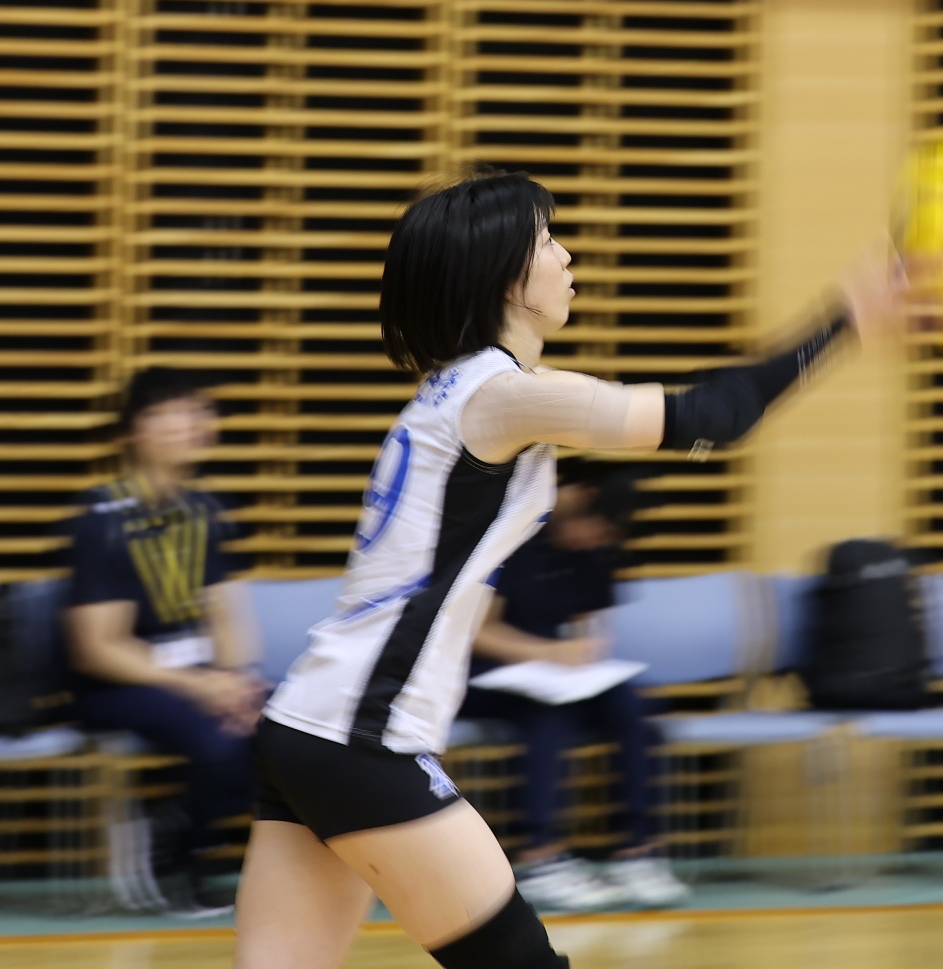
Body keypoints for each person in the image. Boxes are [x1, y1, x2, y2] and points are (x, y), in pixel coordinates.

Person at [235, 170, 898, 969]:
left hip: (305, 725)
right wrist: (844, 321)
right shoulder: (501, 396)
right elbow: (713, 420)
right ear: (504, 278)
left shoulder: (454, 393)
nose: (566, 256)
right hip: (360, 738)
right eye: (548, 241)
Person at [64, 367, 265, 917]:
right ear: (135, 431)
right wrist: (199, 687)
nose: (192, 424)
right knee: (217, 741)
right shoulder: (102, 517)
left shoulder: (207, 512)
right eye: (173, 412)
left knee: (289, 727)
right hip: (120, 683)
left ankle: (195, 831)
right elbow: (98, 647)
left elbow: (227, 616)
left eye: (199, 411)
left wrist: (237, 681)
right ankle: (182, 854)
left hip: (197, 677)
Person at [460, 464, 686, 914]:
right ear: (582, 496)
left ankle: (637, 850)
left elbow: (589, 626)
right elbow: (477, 632)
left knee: (634, 706)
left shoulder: (596, 550)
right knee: (549, 716)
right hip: (482, 676)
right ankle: (541, 857)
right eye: (595, 528)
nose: (595, 540)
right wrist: (549, 653)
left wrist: (587, 652)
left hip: (550, 675)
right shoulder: (512, 532)